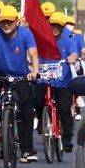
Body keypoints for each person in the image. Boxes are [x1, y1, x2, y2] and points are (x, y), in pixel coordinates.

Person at [0, 5, 40, 163]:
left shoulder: (26, 34)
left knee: (27, 107)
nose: (6, 24)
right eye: (3, 21)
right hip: (0, 73)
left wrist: (34, 71)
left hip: (20, 75)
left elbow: (33, 54)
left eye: (9, 21)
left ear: (17, 22)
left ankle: (27, 149)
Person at [34, 12, 79, 153]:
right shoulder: (42, 41)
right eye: (52, 25)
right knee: (37, 100)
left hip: (62, 82)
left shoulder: (68, 41)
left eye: (58, 26)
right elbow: (34, 54)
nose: (55, 28)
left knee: (65, 109)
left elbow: (74, 53)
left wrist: (72, 57)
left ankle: (67, 139)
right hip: (44, 79)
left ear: (63, 27)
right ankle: (43, 119)